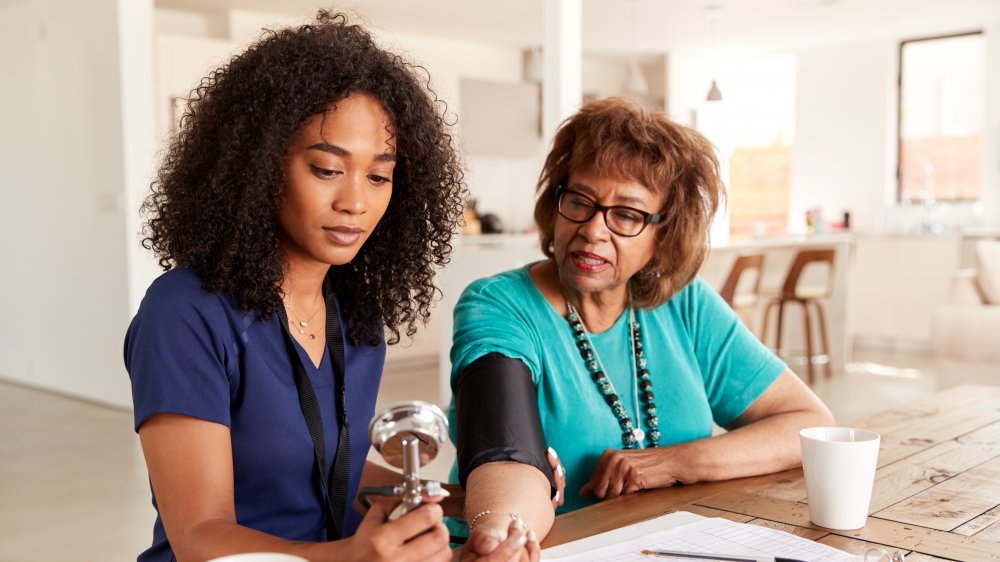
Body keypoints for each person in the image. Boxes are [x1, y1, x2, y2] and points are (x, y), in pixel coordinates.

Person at [125, 12, 538, 562]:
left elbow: (324, 467)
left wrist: (465, 501)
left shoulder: (354, 313)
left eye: (378, 176)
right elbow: (200, 536)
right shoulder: (185, 313)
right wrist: (352, 558)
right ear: (259, 165)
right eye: (326, 169)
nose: (356, 202)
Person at [449, 97, 836, 548]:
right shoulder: (499, 305)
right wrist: (501, 537)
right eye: (579, 201)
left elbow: (807, 425)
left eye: (627, 215)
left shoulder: (684, 304)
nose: (594, 230)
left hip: (673, 543)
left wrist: (673, 462)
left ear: (664, 234)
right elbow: (505, 456)